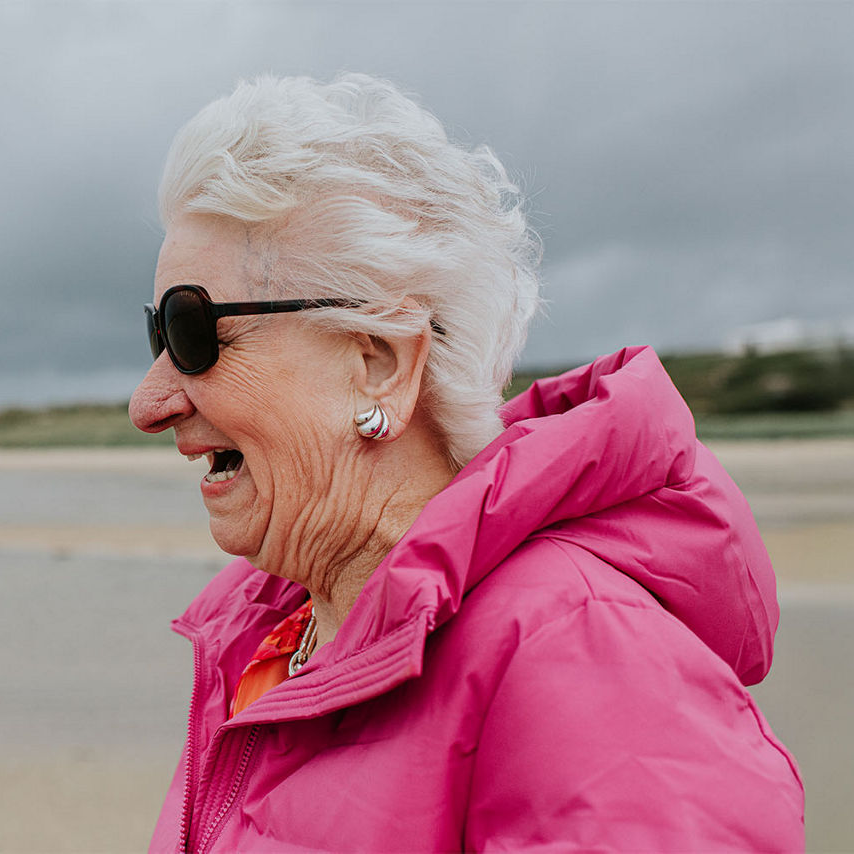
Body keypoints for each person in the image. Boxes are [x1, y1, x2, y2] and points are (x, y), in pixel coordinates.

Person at [129, 73, 804, 853]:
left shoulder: (579, 656)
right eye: (159, 335)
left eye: (192, 332)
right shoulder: (270, 639)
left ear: (380, 363)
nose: (150, 402)